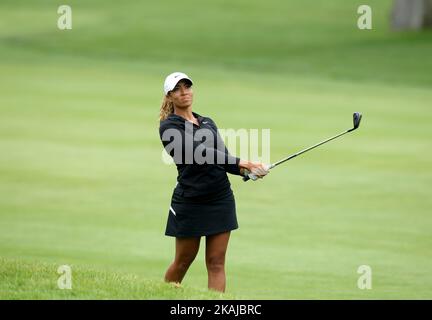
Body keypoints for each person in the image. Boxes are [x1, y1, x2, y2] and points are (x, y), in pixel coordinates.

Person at [159, 72, 269, 292]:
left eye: (187, 87)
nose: (184, 92)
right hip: (191, 200)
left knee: (216, 263)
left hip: (220, 198)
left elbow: (222, 158)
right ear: (169, 96)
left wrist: (245, 171)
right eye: (178, 89)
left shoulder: (207, 122)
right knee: (183, 262)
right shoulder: (169, 127)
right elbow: (201, 153)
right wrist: (244, 162)